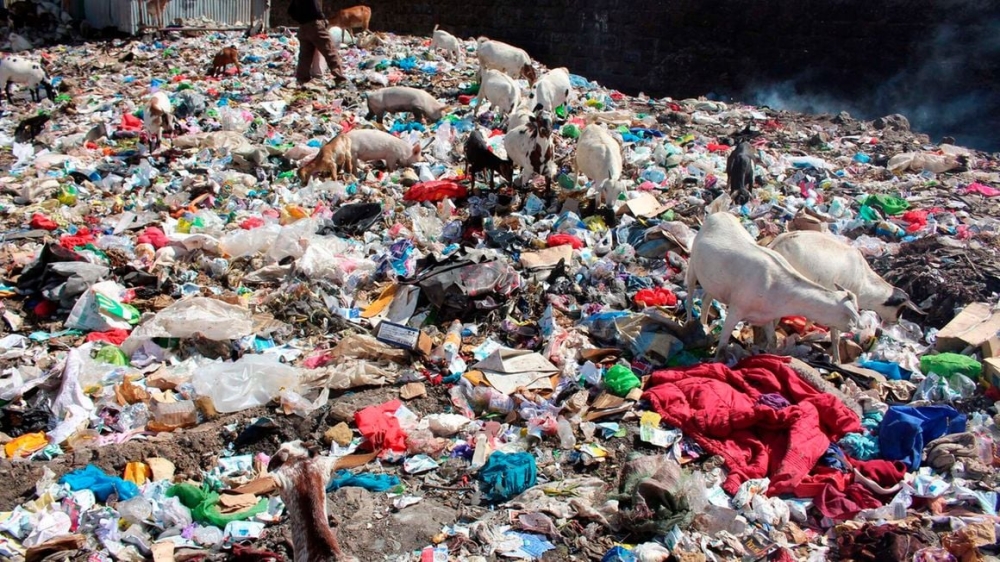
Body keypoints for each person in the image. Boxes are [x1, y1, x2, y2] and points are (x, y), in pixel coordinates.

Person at [287, 0, 348, 87]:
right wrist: (322, 18)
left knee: (305, 55)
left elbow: (291, 10)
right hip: (315, 25)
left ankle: (302, 79)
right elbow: (316, 7)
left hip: (303, 27)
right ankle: (340, 78)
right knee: (330, 51)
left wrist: (301, 19)